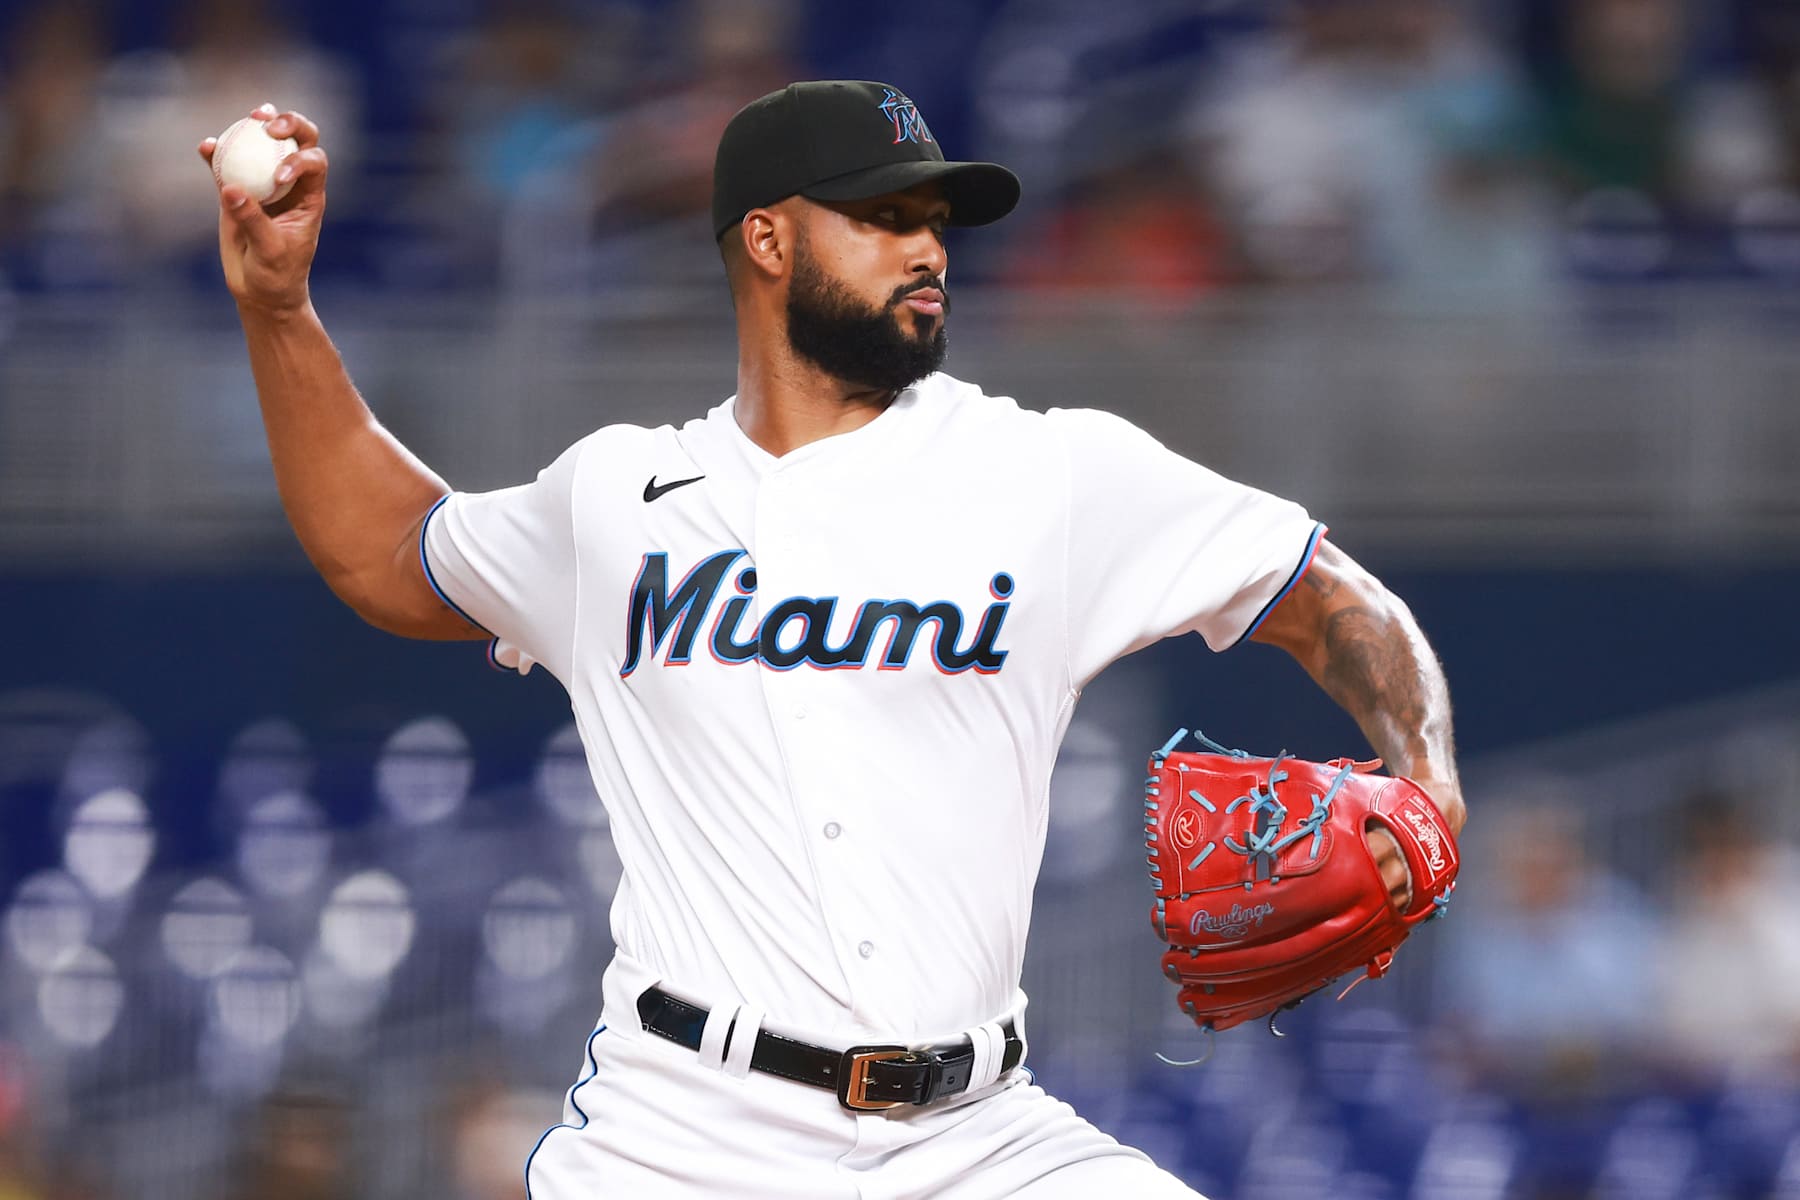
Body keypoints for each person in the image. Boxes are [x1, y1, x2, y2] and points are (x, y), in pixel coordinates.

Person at [199, 80, 1465, 1199]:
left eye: (935, 223)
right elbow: (388, 551)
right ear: (767, 237)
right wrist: (278, 310)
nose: (928, 250)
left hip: (978, 1137)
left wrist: (1431, 785)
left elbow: (1333, 597)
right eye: (884, 217)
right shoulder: (617, 502)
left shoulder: (1050, 472)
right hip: (682, 1134)